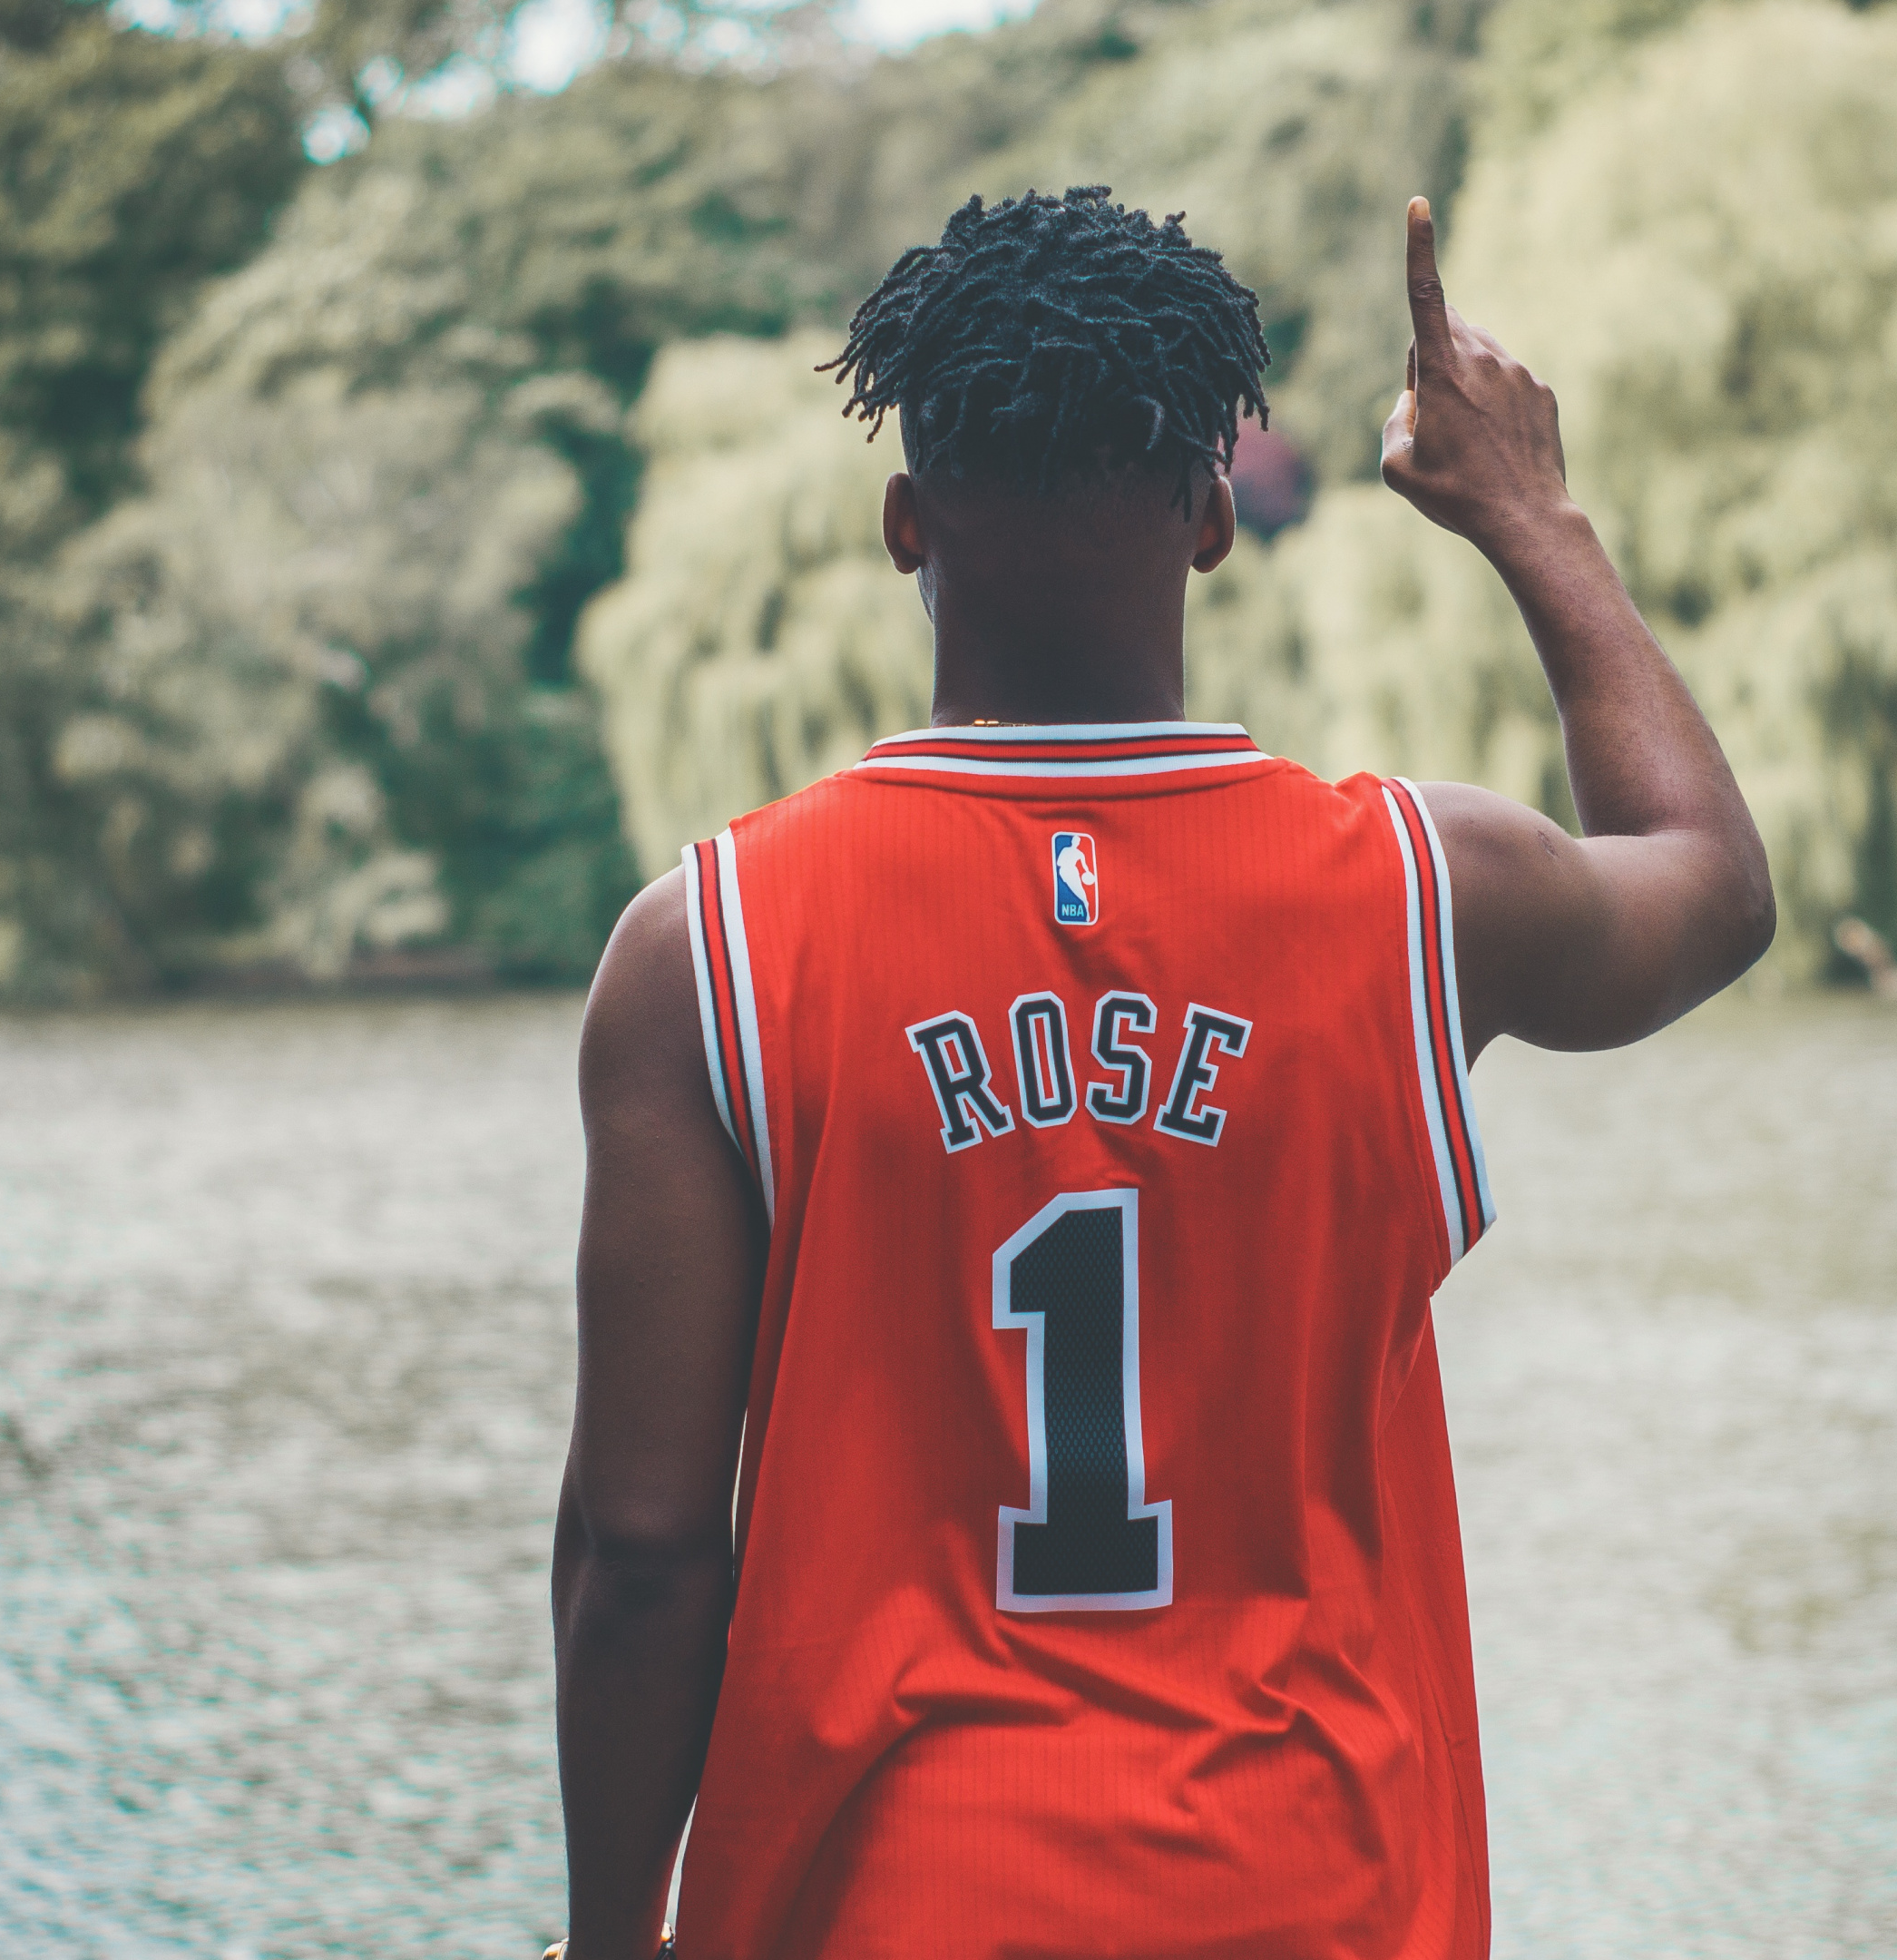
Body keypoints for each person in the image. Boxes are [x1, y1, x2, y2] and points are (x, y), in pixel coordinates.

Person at [551, 186, 1773, 1959]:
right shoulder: (1419, 898)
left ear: (906, 525)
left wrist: (608, 1939)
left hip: (886, 1904)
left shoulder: (711, 952)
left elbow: (646, 1549)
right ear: (1213, 517)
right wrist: (1530, 515)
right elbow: (1713, 884)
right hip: (1308, 1890)